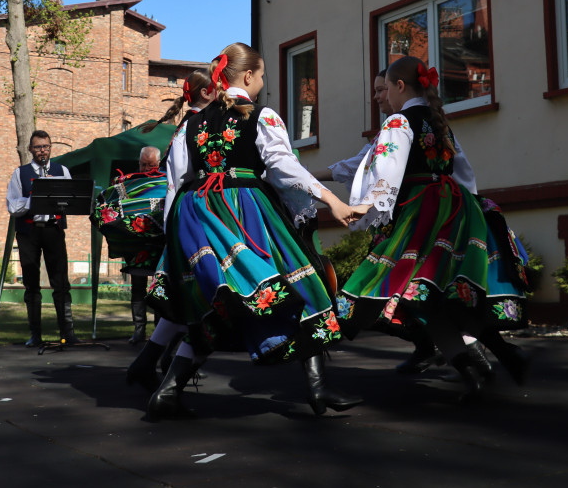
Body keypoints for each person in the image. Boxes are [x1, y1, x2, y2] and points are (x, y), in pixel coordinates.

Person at [144, 43, 361, 420]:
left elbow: (176, 184)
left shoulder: (191, 124)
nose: (262, 83)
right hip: (246, 213)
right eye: (261, 76)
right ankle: (318, 387)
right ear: (247, 76)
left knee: (218, 306)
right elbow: (285, 168)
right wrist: (331, 200)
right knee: (304, 282)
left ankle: (168, 391)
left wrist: (172, 240)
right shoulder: (260, 116)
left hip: (198, 218)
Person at [337, 56, 530, 401]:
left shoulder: (399, 120)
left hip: (422, 211)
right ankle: (485, 365)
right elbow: (463, 171)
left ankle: (479, 366)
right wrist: (473, 210)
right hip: (455, 207)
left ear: (399, 86)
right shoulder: (439, 122)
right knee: (435, 297)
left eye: (386, 89)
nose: (383, 97)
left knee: (411, 292)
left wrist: (366, 206)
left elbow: (388, 168)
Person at [126, 72, 215, 391]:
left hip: (191, 215)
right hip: (191, 217)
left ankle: (152, 364)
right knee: (203, 297)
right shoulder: (193, 125)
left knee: (187, 298)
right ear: (206, 93)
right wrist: (172, 227)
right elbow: (175, 181)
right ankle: (170, 376)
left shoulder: (194, 122)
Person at [6, 130, 79, 347]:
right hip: (29, 231)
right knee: (31, 283)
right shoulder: (20, 173)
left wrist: (56, 193)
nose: (42, 151)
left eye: (46, 146)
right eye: (38, 147)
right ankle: (35, 334)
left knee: (61, 282)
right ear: (30, 149)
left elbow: (71, 199)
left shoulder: (61, 171)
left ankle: (67, 333)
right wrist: (35, 197)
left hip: (53, 230)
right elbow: (12, 206)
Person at [124, 145, 163, 345]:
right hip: (136, 241)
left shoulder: (165, 181)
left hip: (159, 241)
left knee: (159, 286)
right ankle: (138, 330)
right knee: (137, 286)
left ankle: (159, 333)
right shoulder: (130, 182)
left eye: (151, 165)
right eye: (143, 164)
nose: (146, 169)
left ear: (159, 163)